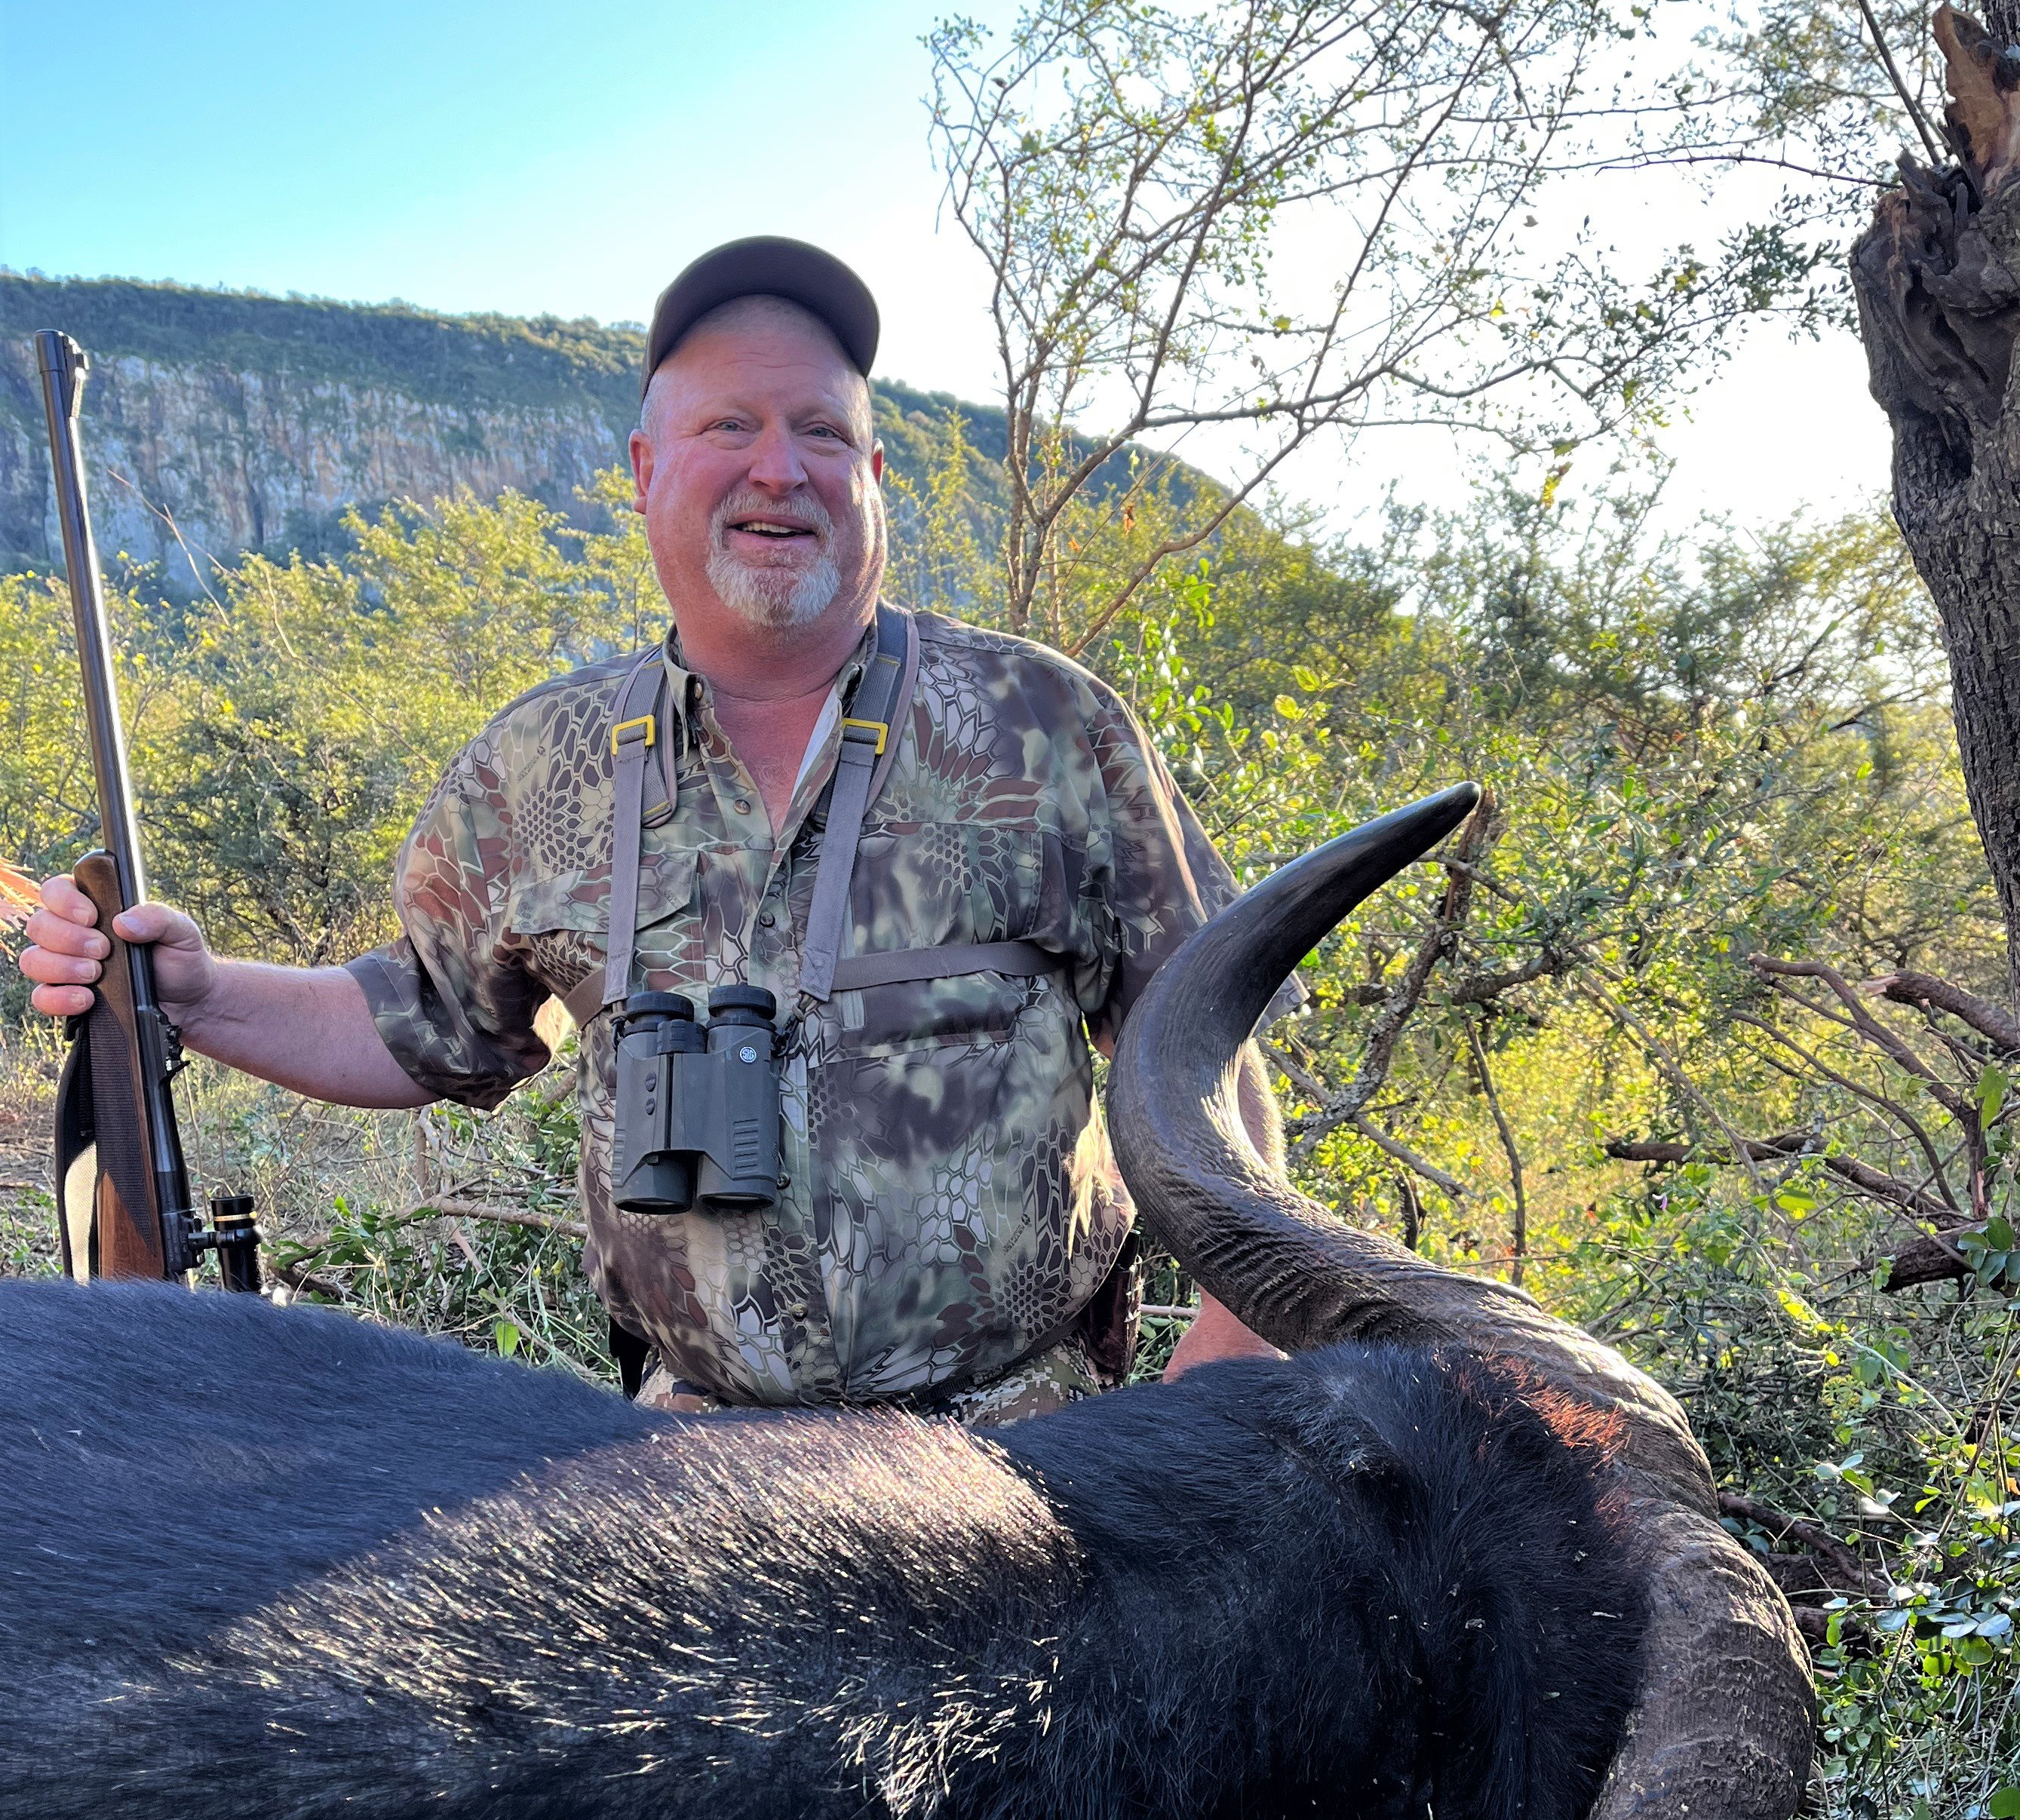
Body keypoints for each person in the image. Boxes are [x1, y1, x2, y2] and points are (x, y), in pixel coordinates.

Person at [19, 238, 1284, 1419]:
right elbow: (421, 1023)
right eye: (728, 425)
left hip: (1023, 1451)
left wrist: (1236, 1332)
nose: (778, 467)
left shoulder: (1045, 723)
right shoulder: (540, 764)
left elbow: (1202, 1039)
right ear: (643, 473)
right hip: (685, 1481)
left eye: (821, 432)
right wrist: (193, 992)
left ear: (874, 478)